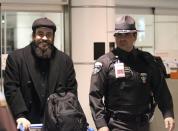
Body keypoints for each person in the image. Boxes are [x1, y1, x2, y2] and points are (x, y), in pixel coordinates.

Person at [89, 15, 175, 131]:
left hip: (143, 124)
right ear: (115, 36)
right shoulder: (105, 62)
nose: (122, 38)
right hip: (116, 125)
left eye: (127, 34)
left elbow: (160, 89)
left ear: (135, 36)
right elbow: (95, 95)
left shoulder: (147, 60)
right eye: (119, 34)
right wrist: (101, 124)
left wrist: (167, 112)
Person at [4, 17, 78, 131]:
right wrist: (20, 115)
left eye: (49, 34)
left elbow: (71, 92)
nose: (44, 38)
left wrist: (66, 115)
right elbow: (12, 89)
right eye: (40, 34)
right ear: (33, 36)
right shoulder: (16, 58)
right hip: (26, 122)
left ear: (53, 37)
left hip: (57, 122)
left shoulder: (65, 60)